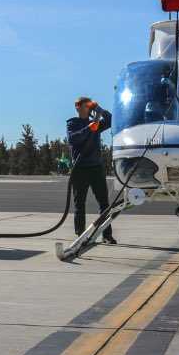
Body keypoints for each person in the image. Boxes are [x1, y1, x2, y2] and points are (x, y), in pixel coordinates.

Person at [66, 96, 116, 244]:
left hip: (96, 168)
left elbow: (110, 121)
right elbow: (73, 139)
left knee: (104, 204)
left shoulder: (94, 123)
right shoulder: (72, 123)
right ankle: (81, 235)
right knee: (79, 204)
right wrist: (90, 127)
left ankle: (106, 234)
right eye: (86, 105)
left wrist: (100, 110)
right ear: (78, 107)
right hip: (80, 168)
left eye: (90, 106)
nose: (89, 108)